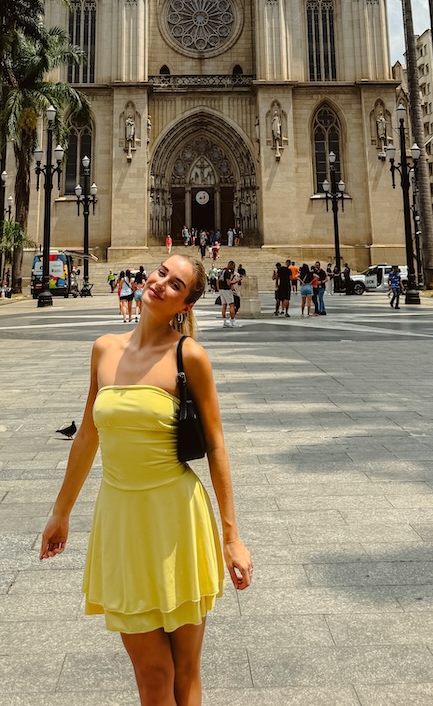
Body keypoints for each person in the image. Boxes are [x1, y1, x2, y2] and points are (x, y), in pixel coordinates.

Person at [40, 254, 253, 704]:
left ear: (184, 305)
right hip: (120, 522)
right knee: (151, 675)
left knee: (185, 675)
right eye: (161, 272)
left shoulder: (189, 355)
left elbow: (215, 447)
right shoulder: (104, 348)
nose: (160, 283)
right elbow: (87, 437)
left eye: (176, 284)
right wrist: (60, 514)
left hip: (177, 520)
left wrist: (232, 537)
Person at [218, 261, 239, 329]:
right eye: (233, 266)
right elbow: (228, 283)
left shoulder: (221, 271)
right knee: (231, 304)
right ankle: (233, 321)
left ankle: (225, 322)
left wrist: (219, 289)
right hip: (226, 289)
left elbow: (217, 281)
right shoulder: (227, 272)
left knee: (224, 305)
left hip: (221, 289)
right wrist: (236, 281)